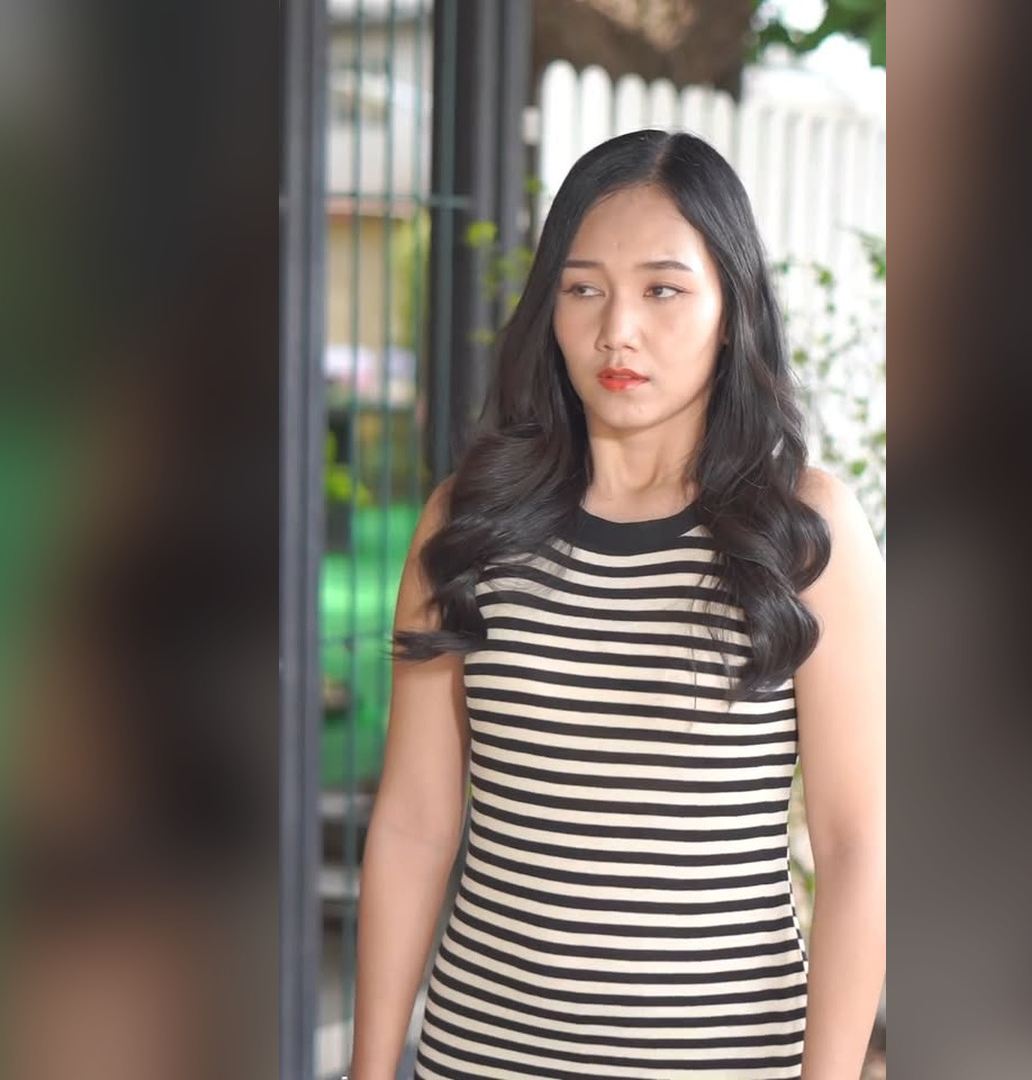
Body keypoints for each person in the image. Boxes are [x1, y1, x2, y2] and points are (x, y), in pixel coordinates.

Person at [347, 129, 888, 1079]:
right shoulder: (466, 524)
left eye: (663, 290)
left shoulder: (806, 532)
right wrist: (368, 1067)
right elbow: (414, 823)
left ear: (733, 308)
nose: (616, 331)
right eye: (583, 289)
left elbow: (859, 848)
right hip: (479, 1058)